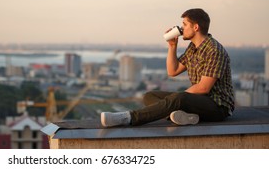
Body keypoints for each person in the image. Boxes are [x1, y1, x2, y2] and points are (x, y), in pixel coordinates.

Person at [101, 8, 235, 127]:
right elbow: (173, 71)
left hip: (218, 106)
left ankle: (128, 118)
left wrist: (177, 99)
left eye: (185, 24)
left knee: (178, 98)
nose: (181, 29)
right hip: (198, 102)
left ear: (195, 27)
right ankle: (184, 117)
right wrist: (172, 46)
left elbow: (203, 88)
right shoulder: (193, 48)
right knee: (150, 96)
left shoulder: (214, 50)